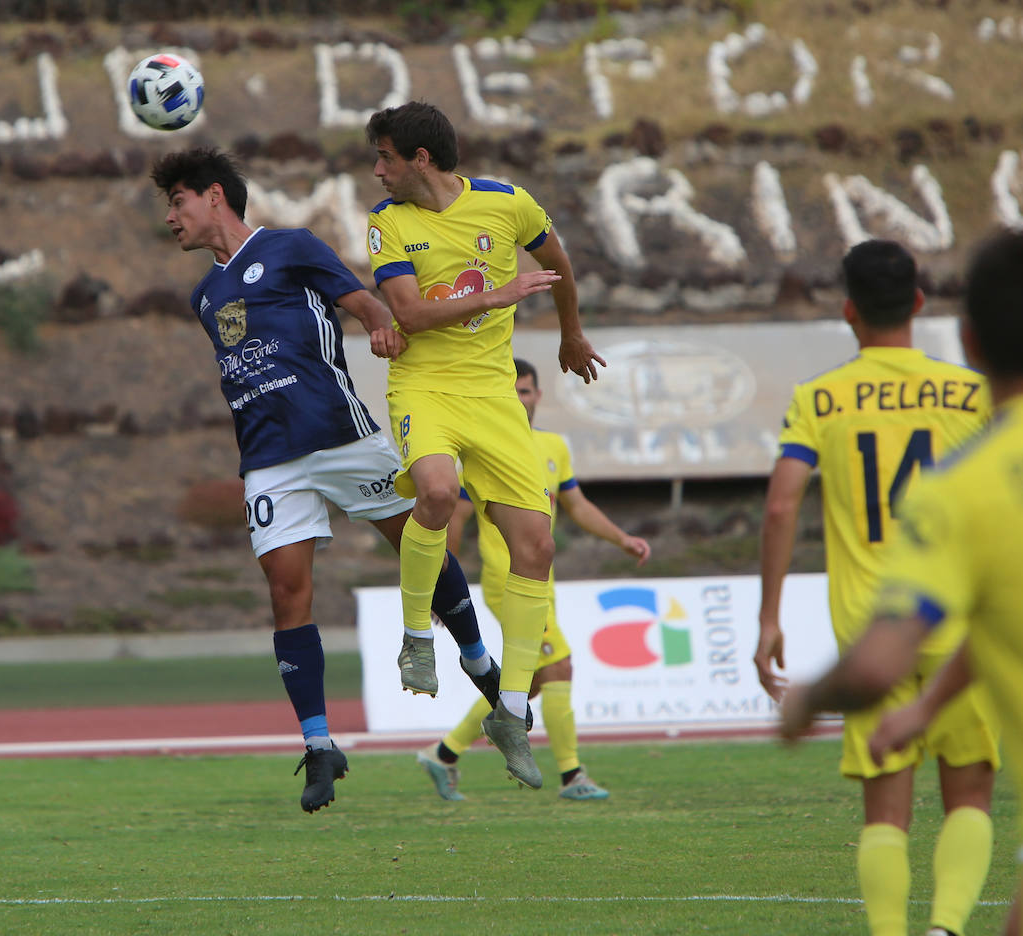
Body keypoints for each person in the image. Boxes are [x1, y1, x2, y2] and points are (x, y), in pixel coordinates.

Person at [151, 147, 503, 813]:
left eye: (177, 203)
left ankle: (480, 661)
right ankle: (319, 746)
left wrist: (377, 325)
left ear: (214, 197)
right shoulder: (204, 296)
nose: (170, 218)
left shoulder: (291, 248)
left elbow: (362, 302)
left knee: (418, 543)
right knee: (288, 596)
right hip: (269, 461)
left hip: (343, 438)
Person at [782, 229, 1023, 936]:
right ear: (922, 305)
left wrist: (797, 681)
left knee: (886, 806)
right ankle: (950, 924)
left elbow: (783, 501)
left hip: (885, 619)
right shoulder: (971, 404)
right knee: (970, 794)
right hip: (966, 633)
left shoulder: (957, 488)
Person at [365, 101, 605, 790]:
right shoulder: (389, 222)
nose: (377, 171)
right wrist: (499, 295)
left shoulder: (507, 202)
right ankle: (417, 637)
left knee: (539, 545)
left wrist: (570, 333)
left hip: (495, 397)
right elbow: (409, 313)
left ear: (420, 159)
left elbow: (555, 258)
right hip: (426, 388)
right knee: (437, 491)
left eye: (385, 157)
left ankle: (509, 705)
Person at [416, 359, 650, 802]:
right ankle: (572, 775)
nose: (521, 400)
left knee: (532, 682)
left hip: (544, 582)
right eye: (514, 392)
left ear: (538, 395)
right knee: (559, 666)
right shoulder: (483, 449)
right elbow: (456, 520)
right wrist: (437, 583)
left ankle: (443, 754)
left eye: (527, 392)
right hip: (508, 582)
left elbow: (577, 507)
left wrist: (622, 539)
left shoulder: (554, 448)